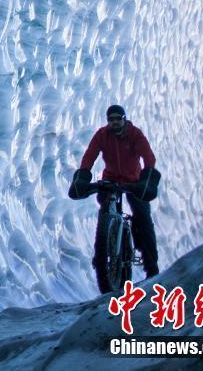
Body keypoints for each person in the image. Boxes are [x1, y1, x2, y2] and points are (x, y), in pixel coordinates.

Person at [77, 104, 160, 285]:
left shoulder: (135, 134)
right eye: (111, 119)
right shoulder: (102, 135)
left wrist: (147, 178)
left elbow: (149, 157)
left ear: (124, 118)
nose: (114, 122)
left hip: (134, 181)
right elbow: (90, 155)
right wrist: (83, 174)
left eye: (117, 118)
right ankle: (101, 257)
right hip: (111, 180)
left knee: (143, 218)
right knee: (105, 214)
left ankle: (152, 267)